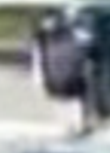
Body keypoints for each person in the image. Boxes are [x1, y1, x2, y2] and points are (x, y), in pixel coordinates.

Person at [29, 9, 89, 137]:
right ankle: (69, 127)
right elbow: (38, 59)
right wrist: (38, 78)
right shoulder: (42, 38)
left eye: (50, 21)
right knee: (62, 101)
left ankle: (76, 126)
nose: (48, 24)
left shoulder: (66, 33)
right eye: (46, 21)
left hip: (68, 73)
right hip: (56, 74)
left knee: (72, 100)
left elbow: (85, 44)